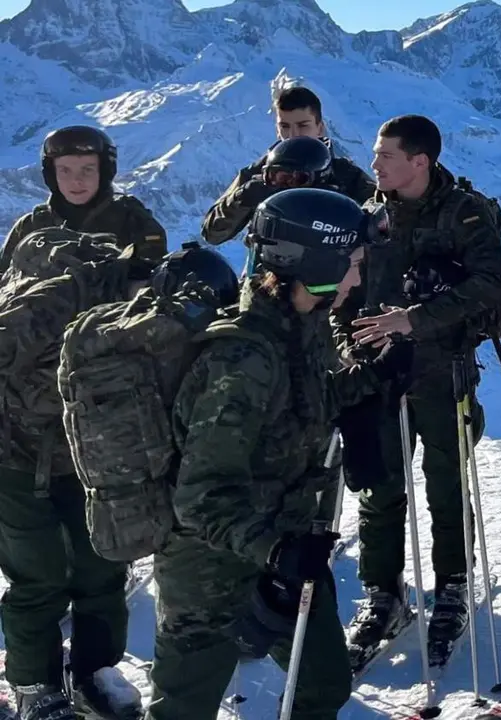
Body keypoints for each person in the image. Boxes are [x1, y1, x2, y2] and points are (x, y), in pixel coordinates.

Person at [145, 188, 404, 719]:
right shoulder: (241, 359)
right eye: (353, 265)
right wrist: (276, 551)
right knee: (183, 710)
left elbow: (301, 405)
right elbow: (200, 499)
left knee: (323, 685)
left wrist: (372, 378)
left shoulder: (301, 325)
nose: (357, 280)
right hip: (211, 570)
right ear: (317, 264)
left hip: (285, 543)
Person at [0, 237, 221, 719]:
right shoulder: (69, 293)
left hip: (88, 455)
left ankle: (94, 673)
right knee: (38, 574)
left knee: (102, 564)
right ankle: (34, 685)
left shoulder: (162, 326)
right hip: (14, 454)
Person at [338, 115, 501, 670]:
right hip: (378, 373)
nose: (374, 165)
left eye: (385, 155)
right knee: (379, 485)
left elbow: (492, 284)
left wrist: (414, 320)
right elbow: (345, 292)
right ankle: (383, 594)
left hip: (441, 371)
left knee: (445, 483)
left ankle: (453, 586)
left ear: (420, 161)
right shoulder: (370, 216)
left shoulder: (464, 213)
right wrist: (348, 346)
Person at [201, 86, 377, 246]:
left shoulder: (344, 173)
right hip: (269, 267)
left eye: (303, 126)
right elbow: (212, 234)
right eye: (284, 126)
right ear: (277, 129)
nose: (293, 134)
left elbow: (380, 215)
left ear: (320, 127)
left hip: (334, 267)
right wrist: (243, 198)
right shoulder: (260, 173)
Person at [1, 125, 167, 275]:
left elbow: (155, 281)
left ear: (104, 171)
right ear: (52, 175)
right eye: (65, 170)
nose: (76, 181)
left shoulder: (133, 220)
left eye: (87, 170)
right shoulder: (31, 227)